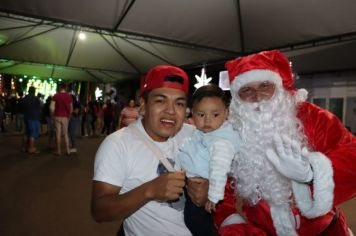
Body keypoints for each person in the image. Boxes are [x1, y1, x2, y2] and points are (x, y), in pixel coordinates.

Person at [205, 50, 356, 236]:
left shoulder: (311, 117)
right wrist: (235, 226)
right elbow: (222, 192)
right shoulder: (231, 133)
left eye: (265, 86)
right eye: (246, 90)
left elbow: (352, 154)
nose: (257, 96)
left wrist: (312, 173)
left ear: (278, 87)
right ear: (237, 98)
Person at [91, 65, 195, 236]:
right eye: (160, 101)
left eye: (179, 103)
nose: (170, 111)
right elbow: (99, 211)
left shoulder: (195, 136)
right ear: (144, 106)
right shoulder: (118, 144)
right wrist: (150, 190)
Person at [175, 84, 240, 236]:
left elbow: (219, 169)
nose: (208, 120)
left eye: (215, 115)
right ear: (192, 114)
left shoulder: (222, 141)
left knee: (195, 222)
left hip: (205, 190)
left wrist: (214, 196)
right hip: (194, 183)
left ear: (226, 114)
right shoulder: (204, 133)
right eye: (201, 115)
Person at [51, 83, 73, 155]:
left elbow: (51, 107)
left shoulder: (56, 95)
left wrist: (52, 115)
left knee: (58, 133)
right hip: (65, 117)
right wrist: (69, 116)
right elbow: (71, 108)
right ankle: (67, 150)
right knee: (66, 133)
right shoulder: (69, 96)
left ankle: (59, 150)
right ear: (66, 88)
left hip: (57, 116)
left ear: (60, 87)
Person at [22, 86, 41, 154]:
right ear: (34, 91)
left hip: (26, 117)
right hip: (34, 117)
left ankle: (24, 147)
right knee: (33, 134)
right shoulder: (36, 99)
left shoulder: (24, 98)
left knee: (26, 133)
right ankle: (31, 148)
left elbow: (22, 108)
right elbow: (39, 108)